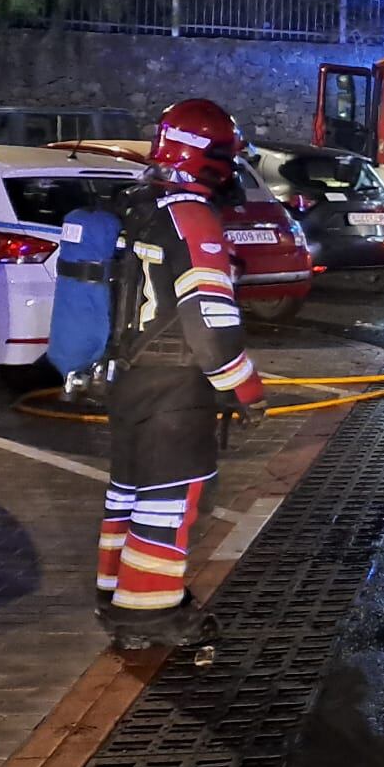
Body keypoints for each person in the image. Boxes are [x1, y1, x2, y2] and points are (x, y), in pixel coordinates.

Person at [95, 98, 265, 649]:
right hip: (175, 387)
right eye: (227, 156)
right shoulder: (190, 214)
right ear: (209, 157)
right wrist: (244, 387)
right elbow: (209, 318)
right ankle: (149, 614)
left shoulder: (139, 204)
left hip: (130, 377)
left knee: (129, 494)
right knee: (169, 500)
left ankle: (116, 593)